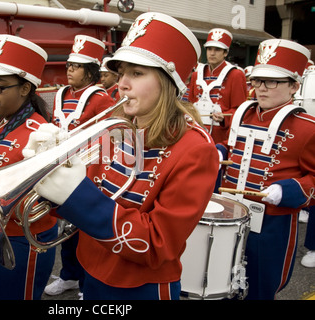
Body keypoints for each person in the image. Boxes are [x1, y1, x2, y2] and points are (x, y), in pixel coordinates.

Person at [29, 12, 219, 300]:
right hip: (92, 269)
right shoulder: (117, 126)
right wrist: (48, 178)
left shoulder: (197, 149)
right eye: (122, 74)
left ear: (169, 83)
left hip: (141, 285)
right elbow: (92, 186)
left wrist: (73, 194)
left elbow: (158, 243)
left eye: (137, 73)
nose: (122, 85)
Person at [217, 39, 315, 299]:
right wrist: (218, 152)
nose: (261, 88)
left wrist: (288, 190)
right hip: (229, 213)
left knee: (260, 285)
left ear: (294, 85)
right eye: (257, 81)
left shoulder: (307, 127)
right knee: (220, 280)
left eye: (271, 82)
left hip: (272, 221)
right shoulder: (243, 113)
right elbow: (233, 148)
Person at [0, 34, 57, 300]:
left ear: (24, 89)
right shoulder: (2, 123)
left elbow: (47, 201)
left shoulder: (42, 133)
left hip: (24, 241)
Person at [43, 34, 114, 298]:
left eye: (77, 66)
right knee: (66, 226)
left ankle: (86, 284)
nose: (69, 69)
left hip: (86, 173)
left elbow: (107, 143)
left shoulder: (101, 98)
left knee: (85, 232)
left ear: (91, 71)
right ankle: (69, 275)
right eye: (69, 65)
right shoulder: (61, 93)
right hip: (59, 169)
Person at [187, 28, 247, 144]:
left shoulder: (236, 75)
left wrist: (224, 117)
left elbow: (240, 110)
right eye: (209, 49)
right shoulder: (196, 74)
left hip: (220, 134)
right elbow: (191, 103)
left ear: (225, 53)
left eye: (217, 50)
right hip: (196, 130)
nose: (212, 53)